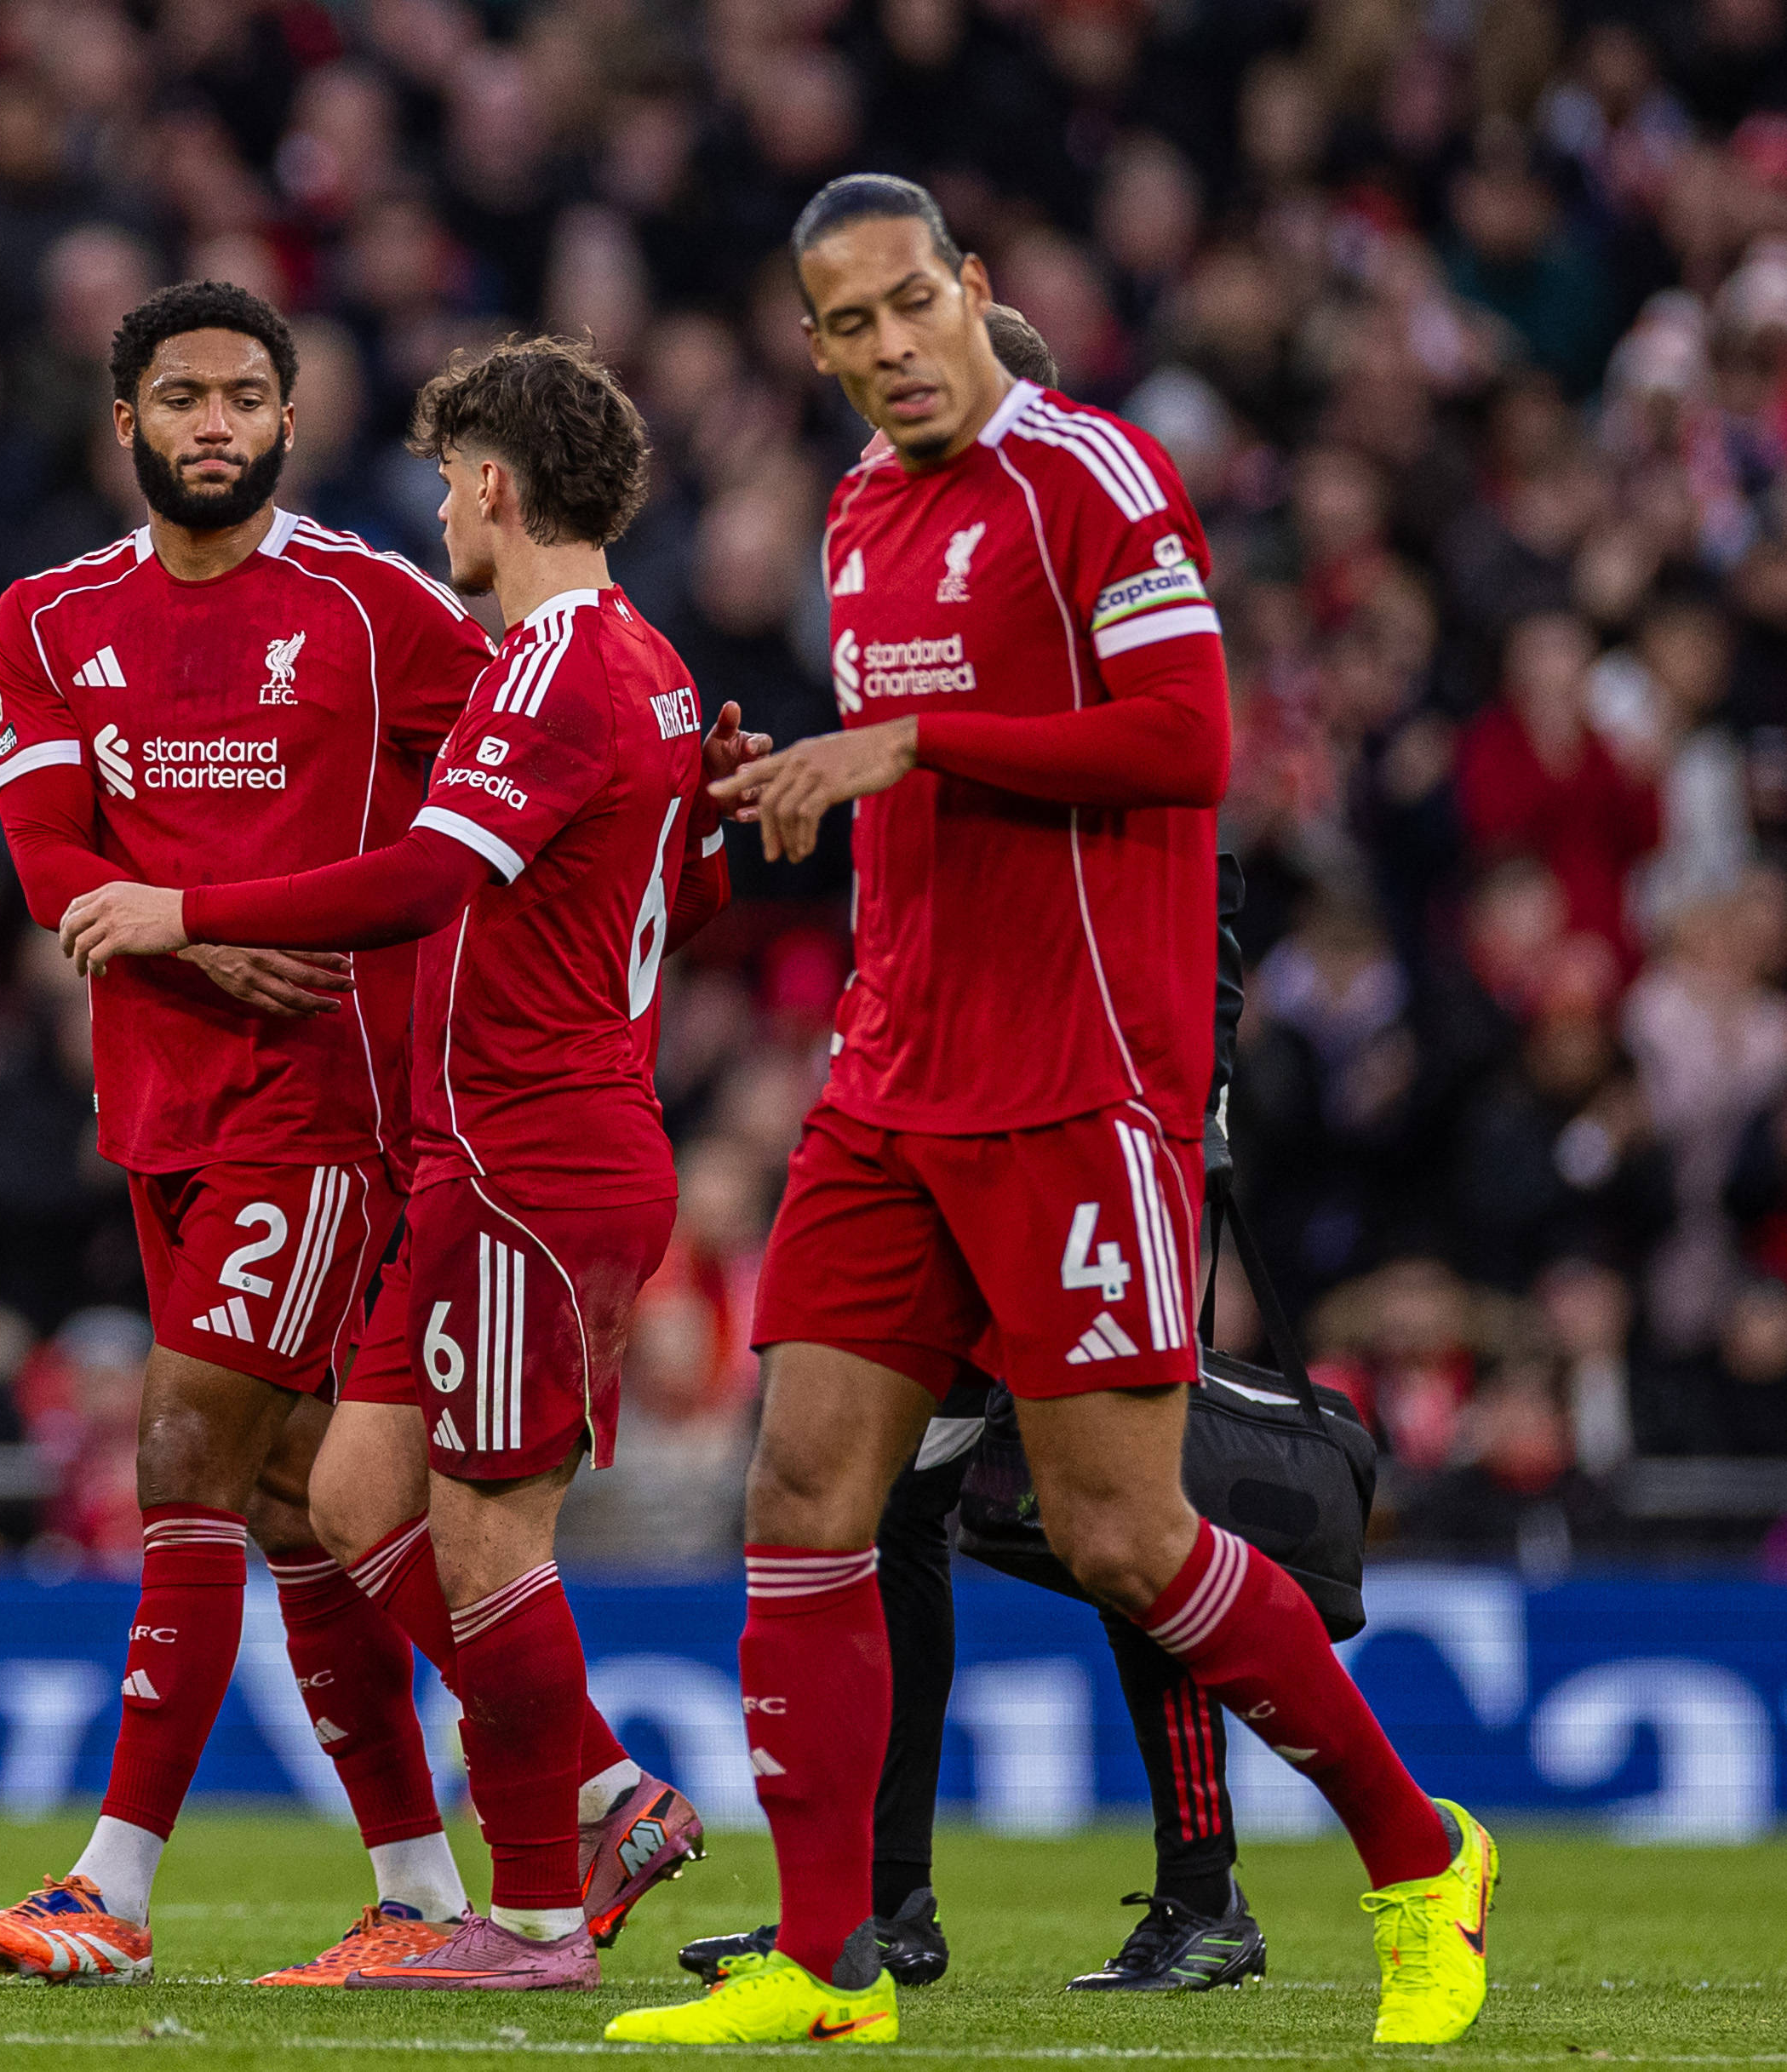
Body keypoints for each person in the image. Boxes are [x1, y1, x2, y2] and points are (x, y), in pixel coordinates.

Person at [604, 176, 1498, 2049]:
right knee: (805, 1495)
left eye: (911, 302)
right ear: (813, 346)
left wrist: (911, 739)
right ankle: (831, 1964)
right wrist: (805, 780)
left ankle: (1421, 1861)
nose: (889, 346)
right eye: (848, 324)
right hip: (890, 1073)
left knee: (1120, 1534)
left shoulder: (1092, 474)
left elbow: (1186, 742)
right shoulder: (858, 508)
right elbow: (918, 786)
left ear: (971, 288)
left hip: (1077, 1082)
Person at [0, 283, 699, 1988]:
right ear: (126, 423)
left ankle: (110, 1884)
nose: (213, 422)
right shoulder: (45, 617)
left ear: (289, 421)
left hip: (334, 1105)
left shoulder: (380, 607)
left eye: (244, 396)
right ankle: (462, 1861)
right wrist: (189, 939)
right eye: (181, 397)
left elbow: (520, 805)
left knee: (184, 1451)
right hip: (159, 1101)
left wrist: (197, 917)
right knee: (307, 1500)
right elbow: (52, 857)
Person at [674, 310, 1271, 2000]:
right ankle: (881, 1902)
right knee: (890, 1509)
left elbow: (1182, 887)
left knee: (1122, 1526)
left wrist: (1181, 1125)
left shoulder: (1097, 631)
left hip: (1085, 1132)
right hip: (931, 1130)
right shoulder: (917, 651)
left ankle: (1206, 1886)